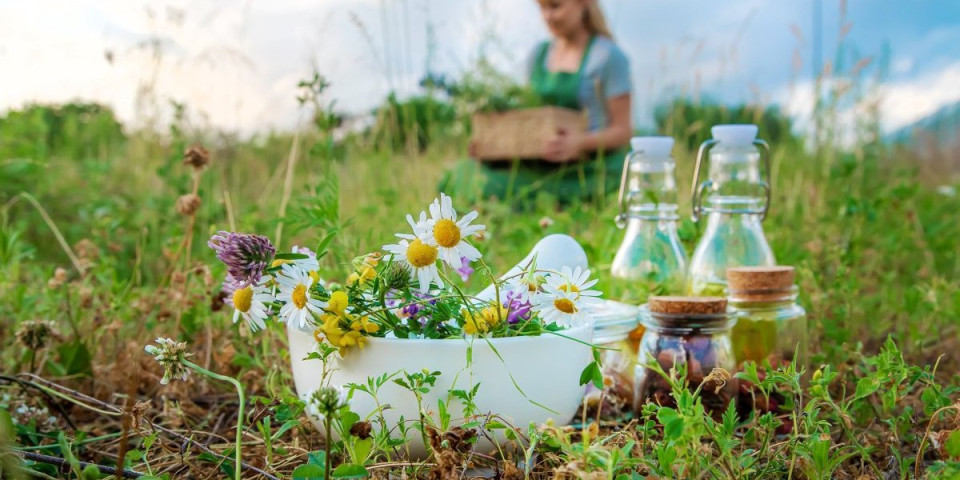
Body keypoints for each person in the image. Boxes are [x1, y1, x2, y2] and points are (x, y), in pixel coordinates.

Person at [441, 0, 633, 207]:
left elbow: (623, 130)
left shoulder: (608, 57)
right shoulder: (538, 55)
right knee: (461, 173)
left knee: (494, 188)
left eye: (555, 6)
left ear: (583, 4)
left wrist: (579, 142)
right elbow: (528, 119)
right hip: (541, 164)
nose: (548, 16)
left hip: (589, 168)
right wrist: (492, 147)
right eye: (542, 8)